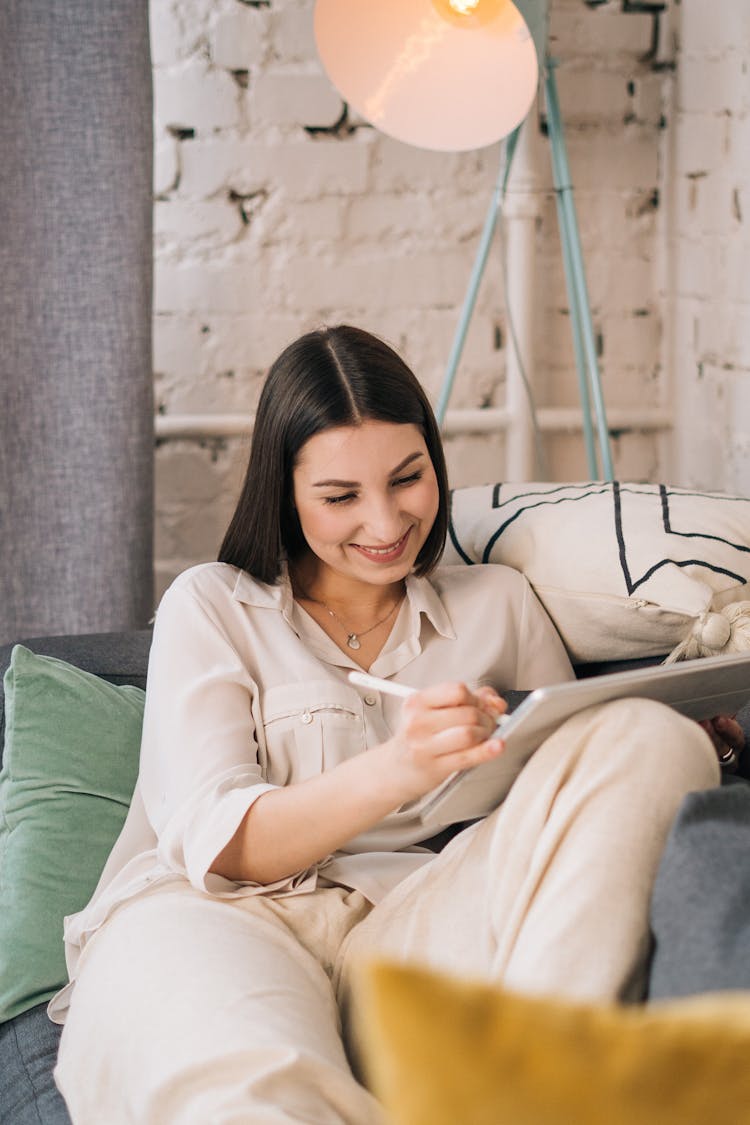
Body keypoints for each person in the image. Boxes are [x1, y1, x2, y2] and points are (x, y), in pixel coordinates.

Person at [51, 325, 743, 1124]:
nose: (384, 523)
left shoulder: (498, 603)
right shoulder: (214, 605)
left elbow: (557, 799)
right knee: (245, 1091)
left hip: (412, 919)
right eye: (340, 496)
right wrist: (401, 766)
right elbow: (228, 846)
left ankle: (541, 1084)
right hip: (223, 917)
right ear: (285, 493)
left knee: (645, 737)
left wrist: (696, 733)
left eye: (408, 479)